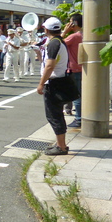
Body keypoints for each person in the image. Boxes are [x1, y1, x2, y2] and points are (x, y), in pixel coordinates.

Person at [37, 17, 70, 156]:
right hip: (60, 81)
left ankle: (61, 147)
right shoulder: (58, 41)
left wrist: (40, 84)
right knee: (57, 114)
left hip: (53, 83)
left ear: (46, 29)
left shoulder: (53, 44)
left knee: (54, 115)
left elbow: (50, 66)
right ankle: (60, 144)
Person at [62, 13, 83, 129]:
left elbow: (58, 43)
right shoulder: (84, 35)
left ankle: (79, 118)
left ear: (74, 23)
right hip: (82, 67)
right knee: (80, 93)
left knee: (76, 95)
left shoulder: (74, 36)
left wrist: (65, 32)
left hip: (74, 68)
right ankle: (81, 116)